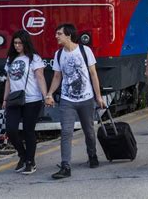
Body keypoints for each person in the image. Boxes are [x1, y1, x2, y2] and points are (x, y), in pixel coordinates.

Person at [47, 23, 106, 179]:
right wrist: (50, 93)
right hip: (67, 100)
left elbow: (93, 74)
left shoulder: (85, 51)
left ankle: (92, 155)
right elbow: (57, 76)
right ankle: (66, 166)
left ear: (68, 35)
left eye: (59, 33)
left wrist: (98, 96)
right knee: (66, 132)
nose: (56, 36)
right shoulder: (59, 54)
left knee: (89, 132)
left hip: (86, 99)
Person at [2, 30, 48, 175]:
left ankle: (30, 162)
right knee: (11, 129)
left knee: (28, 131)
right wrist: (5, 99)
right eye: (15, 43)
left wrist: (46, 96)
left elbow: (40, 78)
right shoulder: (10, 59)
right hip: (14, 100)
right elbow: (8, 81)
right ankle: (23, 155)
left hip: (32, 100)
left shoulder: (34, 58)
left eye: (20, 43)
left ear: (25, 43)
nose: (17, 46)